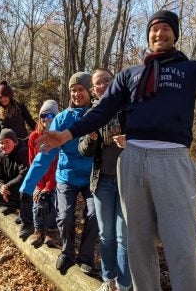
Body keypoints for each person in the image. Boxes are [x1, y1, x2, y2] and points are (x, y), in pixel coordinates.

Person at [33, 2, 196, 291]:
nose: (159, 33)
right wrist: (68, 133)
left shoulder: (190, 70)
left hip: (172, 160)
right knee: (137, 243)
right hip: (132, 160)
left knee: (181, 242)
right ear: (147, 37)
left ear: (174, 35)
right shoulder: (129, 75)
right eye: (154, 29)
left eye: (165, 28)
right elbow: (103, 110)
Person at [20, 72, 98, 276]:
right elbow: (45, 155)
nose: (76, 93)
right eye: (73, 90)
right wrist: (27, 187)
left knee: (95, 213)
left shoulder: (98, 115)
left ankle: (86, 257)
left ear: (89, 90)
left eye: (81, 89)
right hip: (67, 176)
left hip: (92, 176)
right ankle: (67, 252)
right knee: (65, 216)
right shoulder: (62, 119)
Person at [78, 69, 131, 291]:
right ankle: (108, 279)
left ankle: (124, 283)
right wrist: (91, 139)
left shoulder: (129, 106)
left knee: (123, 236)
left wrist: (131, 140)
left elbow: (147, 137)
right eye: (98, 83)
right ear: (93, 89)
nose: (102, 85)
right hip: (102, 182)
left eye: (107, 81)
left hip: (127, 179)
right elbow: (83, 150)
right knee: (106, 234)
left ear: (115, 81)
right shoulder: (92, 113)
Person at [26, 100, 60, 248]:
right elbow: (33, 162)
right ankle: (39, 230)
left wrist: (49, 186)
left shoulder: (60, 136)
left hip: (55, 179)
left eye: (51, 114)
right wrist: (38, 185)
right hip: (40, 179)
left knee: (52, 200)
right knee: (37, 199)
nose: (46, 118)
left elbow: (57, 164)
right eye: (43, 115)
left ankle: (51, 231)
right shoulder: (34, 136)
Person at [0, 128, 34, 240]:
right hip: (12, 189)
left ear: (14, 142)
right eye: (1, 143)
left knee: (25, 193)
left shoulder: (23, 152)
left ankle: (29, 218)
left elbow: (23, 175)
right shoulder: (0, 157)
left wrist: (7, 186)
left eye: (7, 142)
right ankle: (20, 208)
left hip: (26, 190)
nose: (4, 145)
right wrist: (1, 187)